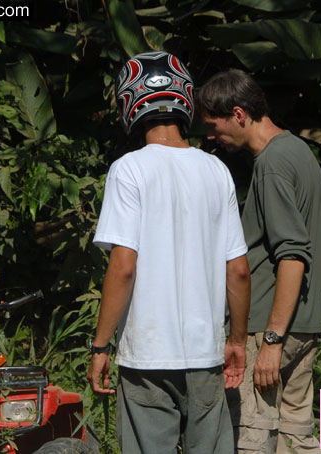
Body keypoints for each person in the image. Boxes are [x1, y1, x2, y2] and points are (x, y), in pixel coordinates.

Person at [86, 51, 251, 454]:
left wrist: (101, 346)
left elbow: (123, 267)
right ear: (185, 100)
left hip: (146, 359)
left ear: (130, 102)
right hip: (205, 355)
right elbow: (239, 271)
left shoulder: (128, 170)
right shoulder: (216, 171)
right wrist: (238, 341)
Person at [197, 69, 321, 454]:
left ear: (239, 114)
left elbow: (292, 254)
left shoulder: (272, 163)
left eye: (213, 125)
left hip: (268, 326)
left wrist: (270, 340)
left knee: (253, 438)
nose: (210, 136)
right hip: (303, 325)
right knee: (296, 437)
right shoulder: (298, 151)